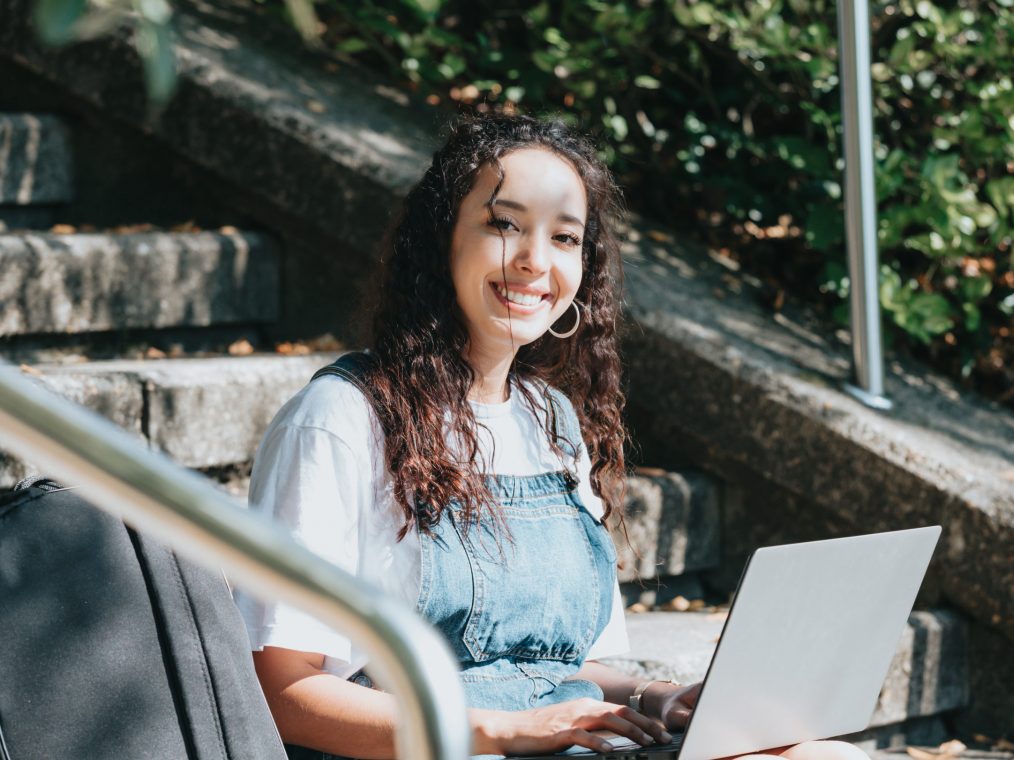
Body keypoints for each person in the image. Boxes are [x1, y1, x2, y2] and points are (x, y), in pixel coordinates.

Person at [237, 114, 871, 760]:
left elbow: (558, 669)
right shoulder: (339, 419)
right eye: (505, 224)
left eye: (565, 238)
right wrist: (506, 731)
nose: (536, 261)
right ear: (440, 240)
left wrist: (658, 698)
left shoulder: (551, 420)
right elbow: (282, 691)